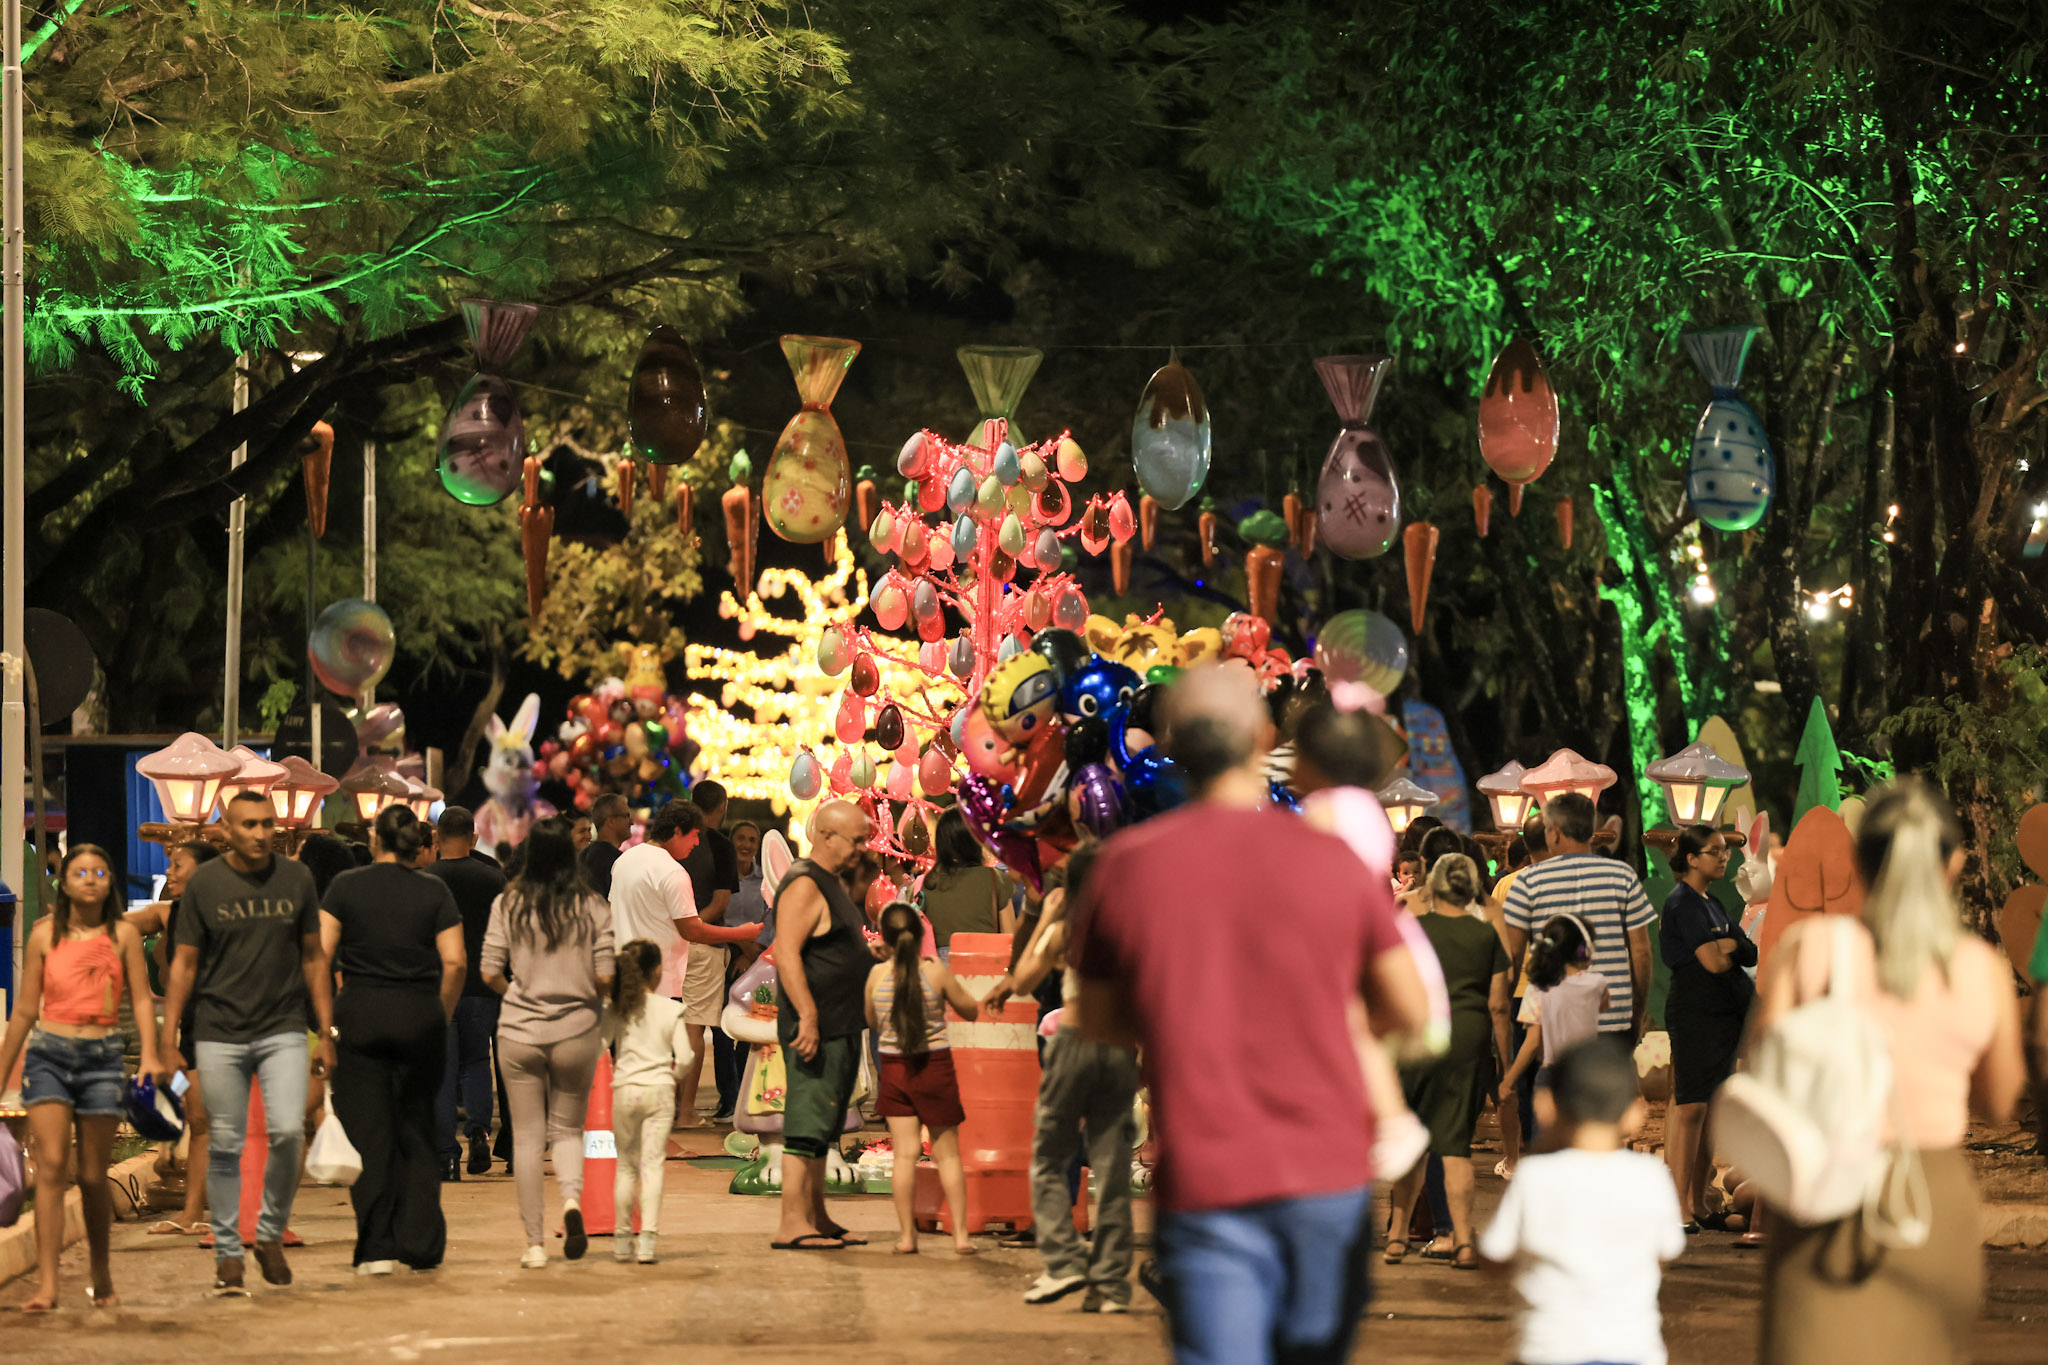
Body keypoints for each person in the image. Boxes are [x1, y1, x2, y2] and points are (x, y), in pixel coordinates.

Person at [1073, 667, 1429, 1365]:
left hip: (1210, 1177)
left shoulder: (1126, 867)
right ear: (1264, 737)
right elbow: (1409, 1007)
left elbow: (1101, 1019)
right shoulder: (1333, 860)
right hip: (1327, 1175)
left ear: (1172, 743)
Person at [1755, 781, 2024, 1365]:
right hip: (1931, 1202)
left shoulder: (1808, 950)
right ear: (1952, 863)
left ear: (1861, 860)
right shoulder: (1978, 970)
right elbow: (2001, 1102)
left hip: (1823, 1196)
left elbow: (1762, 1072)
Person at [161, 791, 333, 1297]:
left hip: (281, 1027)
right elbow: (184, 963)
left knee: (286, 1132)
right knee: (226, 1143)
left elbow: (314, 958)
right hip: (218, 1032)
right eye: (249, 825)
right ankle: (228, 1252)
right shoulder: (206, 884)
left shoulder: (296, 878)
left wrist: (326, 1032)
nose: (260, 833)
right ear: (227, 830)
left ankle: (269, 1230)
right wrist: (170, 1037)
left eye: (267, 824)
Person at [0, 844, 163, 1311]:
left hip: (102, 1058)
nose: (90, 879)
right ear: (64, 882)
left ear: (109, 882)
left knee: (92, 1175)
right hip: (49, 1055)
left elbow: (142, 998)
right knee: (51, 1165)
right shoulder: (43, 936)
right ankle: (47, 1284)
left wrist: (150, 1056)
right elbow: (26, 1009)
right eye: (80, 872)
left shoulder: (124, 935)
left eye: (99, 872)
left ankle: (100, 1268)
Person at [986, 841, 1143, 1309]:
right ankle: (1112, 1285)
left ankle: (1065, 1263)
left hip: (1074, 1042)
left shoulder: (1069, 928)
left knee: (1050, 1157)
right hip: (1119, 1049)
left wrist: (1047, 916)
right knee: (1112, 1170)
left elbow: (1027, 975)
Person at [319, 804, 466, 1274]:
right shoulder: (434, 890)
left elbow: (318, 955)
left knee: (369, 1134)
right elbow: (456, 962)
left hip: (359, 1017)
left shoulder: (345, 887)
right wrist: (438, 1014)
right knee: (417, 1130)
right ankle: (420, 1244)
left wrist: (324, 1025)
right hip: (419, 1017)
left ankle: (377, 1248)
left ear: (375, 839)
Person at [1480, 1035, 1686, 1365]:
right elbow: (1664, 1252)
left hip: (1550, 1350)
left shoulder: (1534, 1177)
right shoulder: (1651, 1176)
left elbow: (1494, 1255)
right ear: (1636, 1114)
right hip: (1632, 1349)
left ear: (1546, 1107)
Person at [482, 816, 617, 1269]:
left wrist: (519, 996)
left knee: (525, 1139)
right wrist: (582, 1001)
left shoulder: (509, 902)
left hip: (519, 1031)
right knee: (567, 1130)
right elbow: (605, 976)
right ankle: (573, 1204)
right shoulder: (593, 905)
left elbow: (488, 971)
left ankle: (535, 1244)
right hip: (576, 1031)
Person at [1385, 853, 1512, 1270]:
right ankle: (1461, 1240)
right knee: (1454, 1144)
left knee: (1414, 1140)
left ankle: (1397, 1236)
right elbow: (1498, 1005)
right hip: (1467, 1042)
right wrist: (1505, 1064)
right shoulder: (1485, 935)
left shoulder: (1412, 930)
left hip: (1420, 1039)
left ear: (1434, 888)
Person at [608, 798, 761, 1129]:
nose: (696, 844)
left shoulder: (625, 860)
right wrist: (741, 932)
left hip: (625, 973)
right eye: (693, 836)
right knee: (656, 1062)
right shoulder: (671, 871)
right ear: (676, 831)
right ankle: (661, 1132)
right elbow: (691, 929)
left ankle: (629, 1127)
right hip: (658, 980)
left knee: (632, 1059)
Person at [769, 799, 878, 1251]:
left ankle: (818, 1217)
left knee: (824, 1126)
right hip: (816, 1025)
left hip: (840, 1023)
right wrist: (808, 1015)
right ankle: (792, 1222)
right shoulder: (803, 883)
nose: (861, 849)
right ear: (826, 836)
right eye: (855, 840)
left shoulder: (830, 882)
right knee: (806, 1124)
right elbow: (786, 951)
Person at [866, 902, 980, 1255]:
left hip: (895, 1068)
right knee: (947, 1156)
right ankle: (960, 1236)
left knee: (904, 1156)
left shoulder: (877, 976)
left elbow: (872, 1021)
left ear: (883, 938)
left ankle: (906, 1238)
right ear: (920, 936)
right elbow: (971, 1010)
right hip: (935, 1067)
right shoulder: (935, 972)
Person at [1659, 824, 1755, 1230]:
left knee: (1712, 1108)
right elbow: (1713, 962)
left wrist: (1729, 945)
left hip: (1725, 1017)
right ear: (1691, 859)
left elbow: (1748, 950)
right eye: (1713, 851)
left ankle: (1698, 1200)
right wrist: (1727, 946)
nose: (1723, 856)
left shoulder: (1712, 902)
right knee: (1691, 1107)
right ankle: (1676, 1205)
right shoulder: (1682, 903)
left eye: (1724, 850)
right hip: (1696, 1013)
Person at [1501, 793, 1655, 1040]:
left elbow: (1513, 954)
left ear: (1556, 833)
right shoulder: (1623, 876)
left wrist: (1503, 1010)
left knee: (1554, 1078)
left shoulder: (1528, 882)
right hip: (1614, 1018)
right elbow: (1641, 952)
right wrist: (1637, 1013)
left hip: (1554, 1019)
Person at [128, 839, 219, 1237]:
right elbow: (128, 921)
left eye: (178, 865)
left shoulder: (227, 912)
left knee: (216, 1124)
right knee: (195, 1117)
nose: (170, 873)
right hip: (190, 1035)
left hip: (227, 1029)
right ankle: (191, 1212)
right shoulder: (172, 912)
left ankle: (240, 1214)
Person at [426, 805, 510, 1180]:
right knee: (477, 1062)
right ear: (474, 838)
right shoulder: (493, 879)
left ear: (436, 839)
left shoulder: (426, 880)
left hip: (440, 986)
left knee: (442, 1069)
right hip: (483, 986)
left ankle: (446, 1154)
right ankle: (479, 1129)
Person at [603, 939, 693, 1265]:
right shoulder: (670, 1008)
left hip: (625, 1092)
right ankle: (648, 1244)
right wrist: (672, 1074)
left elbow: (600, 1043)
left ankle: (622, 1241)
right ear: (657, 971)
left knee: (626, 1168)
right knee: (652, 1166)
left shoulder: (616, 1009)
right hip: (659, 1092)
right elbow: (685, 1057)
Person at [1499, 914, 1610, 1146]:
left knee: (1548, 1149)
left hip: (1549, 1077)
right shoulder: (1597, 984)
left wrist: (1508, 1080)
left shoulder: (1537, 988)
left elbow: (1531, 1044)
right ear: (1584, 950)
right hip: (1586, 1078)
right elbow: (1603, 1006)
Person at [681, 782, 741, 1125]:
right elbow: (720, 903)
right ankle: (685, 1113)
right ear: (722, 806)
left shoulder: (672, 841)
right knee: (693, 1029)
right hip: (702, 944)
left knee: (671, 1026)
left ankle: (674, 1107)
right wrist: (690, 926)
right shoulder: (718, 845)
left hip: (668, 944)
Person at [717, 819, 770, 1120]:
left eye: (752, 839)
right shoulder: (721, 874)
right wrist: (738, 948)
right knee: (722, 1026)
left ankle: (745, 1096)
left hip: (757, 958)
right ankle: (729, 1097)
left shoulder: (765, 881)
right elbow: (717, 916)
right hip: (724, 953)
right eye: (741, 838)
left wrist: (751, 955)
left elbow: (770, 920)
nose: (746, 844)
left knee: (751, 1029)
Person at [920, 809, 1014, 952]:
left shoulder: (925, 883)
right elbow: (1011, 938)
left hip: (938, 970)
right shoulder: (994, 877)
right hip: (985, 967)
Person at [581, 792, 632, 897]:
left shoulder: (582, 857)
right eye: (627, 816)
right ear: (611, 821)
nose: (632, 822)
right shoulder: (618, 862)